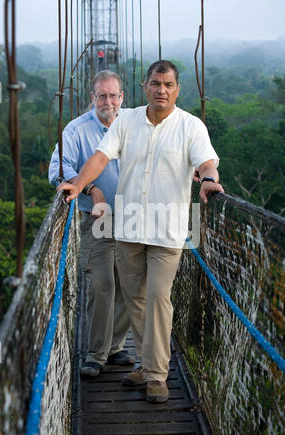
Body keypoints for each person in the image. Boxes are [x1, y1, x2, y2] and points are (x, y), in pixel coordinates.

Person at [57, 60, 224, 402]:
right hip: (129, 228)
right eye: (155, 84)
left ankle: (158, 376)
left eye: (168, 84)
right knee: (135, 300)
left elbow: (206, 160)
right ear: (145, 87)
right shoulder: (127, 120)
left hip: (168, 230)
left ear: (177, 90)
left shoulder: (191, 127)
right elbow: (101, 157)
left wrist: (209, 179)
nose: (161, 90)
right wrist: (80, 185)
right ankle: (146, 365)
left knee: (158, 297)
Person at [49, 70, 134, 378]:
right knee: (101, 284)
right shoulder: (76, 130)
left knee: (128, 284)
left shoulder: (135, 124)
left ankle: (115, 346)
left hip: (135, 217)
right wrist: (89, 187)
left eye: (113, 95)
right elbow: (58, 172)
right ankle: (95, 354)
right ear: (92, 98)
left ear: (122, 98)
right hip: (98, 220)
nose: (107, 101)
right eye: (101, 96)